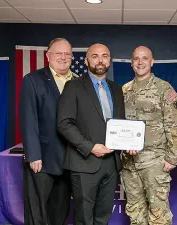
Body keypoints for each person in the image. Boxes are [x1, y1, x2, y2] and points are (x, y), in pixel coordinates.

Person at [56, 43, 125, 225]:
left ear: (109, 60)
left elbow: (120, 124)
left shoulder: (117, 89)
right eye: (95, 56)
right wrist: (90, 147)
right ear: (86, 60)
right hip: (84, 162)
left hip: (111, 163)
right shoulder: (73, 86)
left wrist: (128, 144)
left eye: (104, 56)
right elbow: (64, 124)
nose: (100, 60)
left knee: (103, 217)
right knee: (84, 218)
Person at [121, 46, 177, 225]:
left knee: (158, 214)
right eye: (136, 59)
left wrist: (172, 158)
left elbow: (175, 125)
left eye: (145, 58)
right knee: (135, 211)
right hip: (129, 163)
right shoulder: (125, 90)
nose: (140, 62)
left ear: (152, 61)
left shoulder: (164, 89)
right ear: (132, 63)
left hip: (154, 161)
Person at [19, 38, 78, 225]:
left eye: (67, 54)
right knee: (37, 212)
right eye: (58, 53)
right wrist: (33, 155)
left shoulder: (78, 82)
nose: (63, 57)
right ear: (48, 55)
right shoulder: (33, 80)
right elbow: (29, 119)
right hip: (42, 159)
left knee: (60, 210)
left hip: (70, 158)